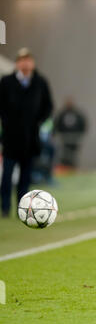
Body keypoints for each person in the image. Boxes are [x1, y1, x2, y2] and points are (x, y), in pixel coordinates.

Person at [0, 48, 53, 217]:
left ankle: (22, 209)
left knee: (25, 177)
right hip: (10, 137)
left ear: (33, 63)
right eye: (22, 60)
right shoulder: (6, 82)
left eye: (28, 60)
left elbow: (48, 105)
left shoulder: (40, 82)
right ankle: (5, 207)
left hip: (31, 138)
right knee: (7, 175)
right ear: (17, 63)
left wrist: (38, 121)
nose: (25, 63)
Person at [54, 97, 87, 168]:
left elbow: (83, 124)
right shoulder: (62, 114)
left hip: (74, 140)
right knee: (64, 155)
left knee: (73, 156)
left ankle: (73, 168)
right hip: (64, 140)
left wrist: (79, 135)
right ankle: (65, 168)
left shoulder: (77, 115)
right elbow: (57, 124)